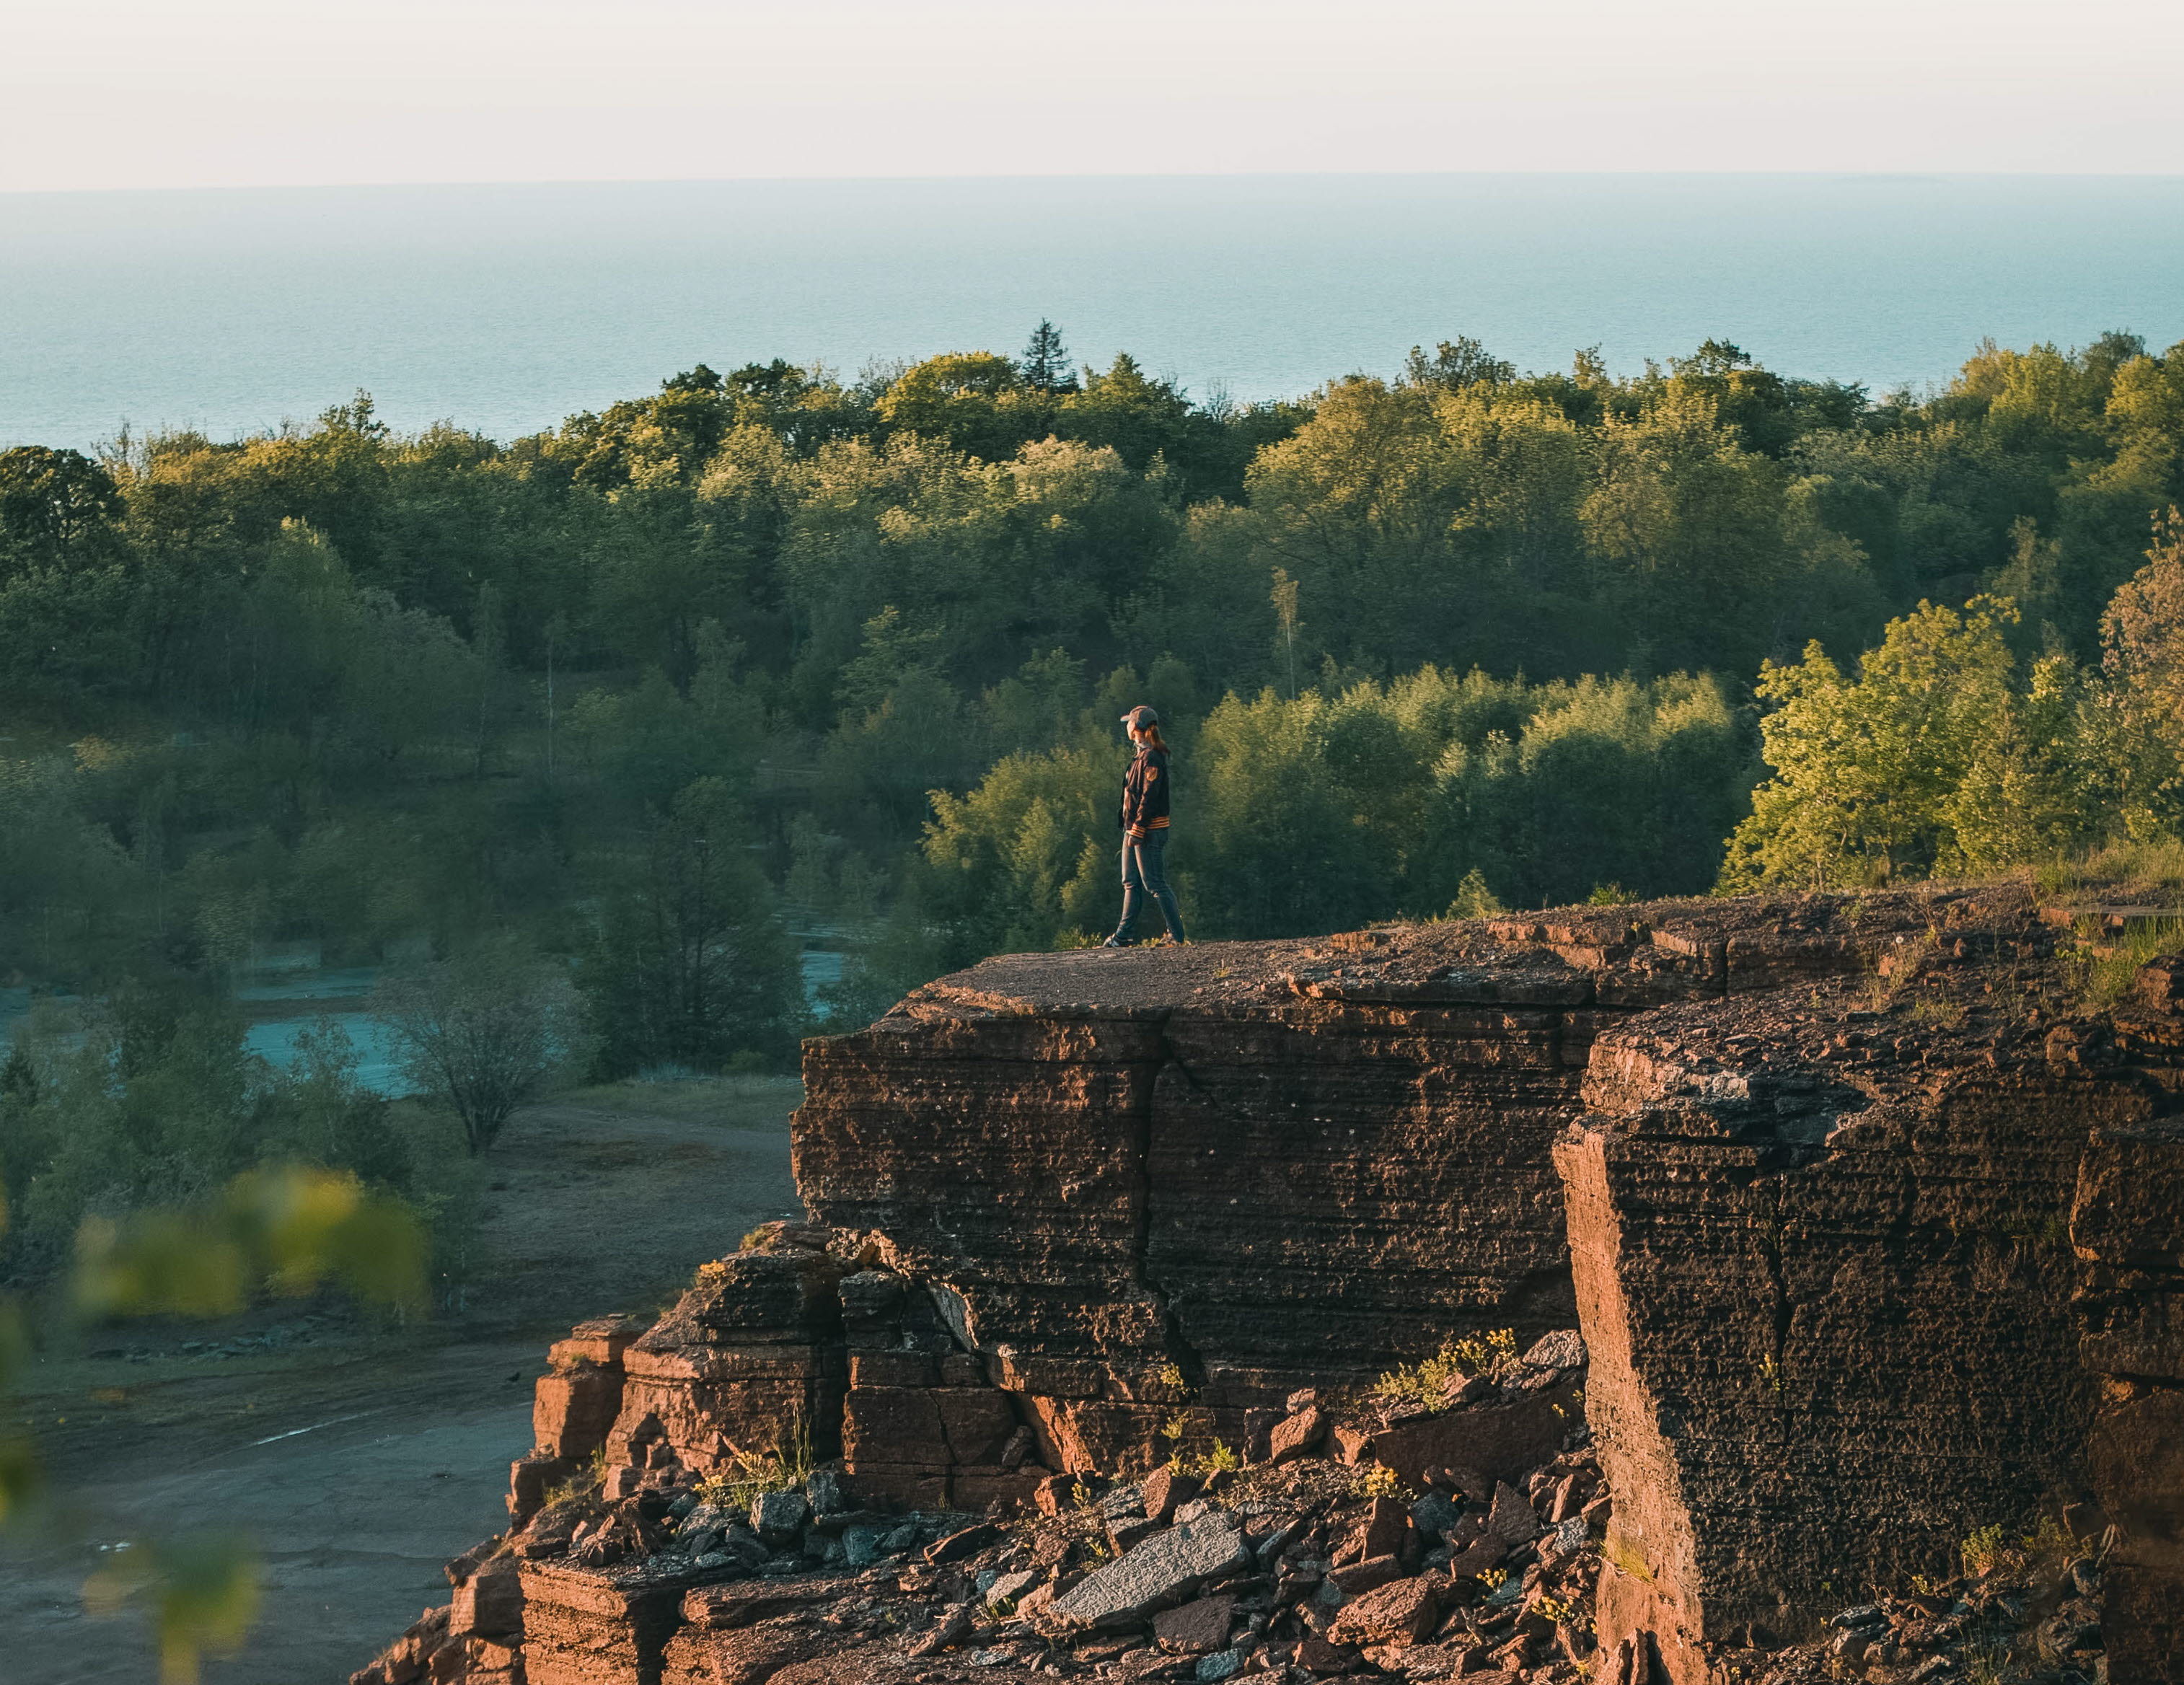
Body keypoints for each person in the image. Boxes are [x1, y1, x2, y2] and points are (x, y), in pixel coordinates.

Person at [1103, 704, 1187, 948]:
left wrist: (1138, 828)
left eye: (1129, 722)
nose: (1126, 726)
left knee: (1155, 884)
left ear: (1136, 728)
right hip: (1134, 829)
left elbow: (1149, 797)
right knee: (1130, 882)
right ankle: (1124, 935)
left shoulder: (1151, 757)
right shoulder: (1142, 756)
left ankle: (1177, 936)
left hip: (1148, 830)